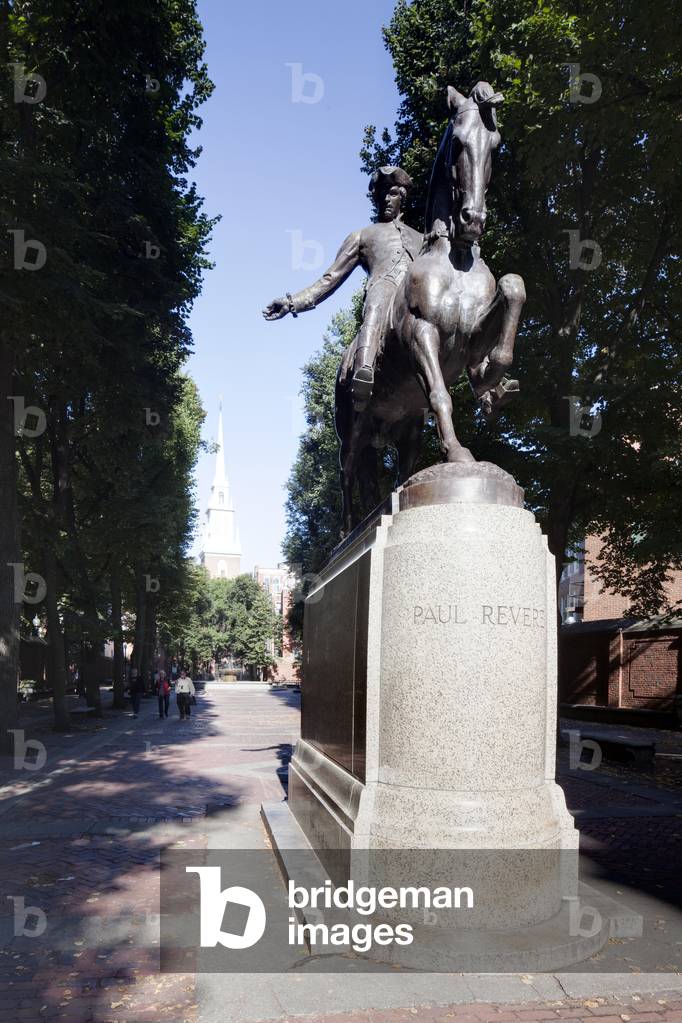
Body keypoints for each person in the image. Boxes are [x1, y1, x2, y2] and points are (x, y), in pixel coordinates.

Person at [263, 166, 422, 410]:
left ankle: (484, 379)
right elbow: (330, 279)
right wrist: (292, 302)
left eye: (391, 193)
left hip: (415, 298)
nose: (385, 200)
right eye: (380, 195)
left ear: (402, 196)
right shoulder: (362, 236)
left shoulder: (421, 238)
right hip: (384, 292)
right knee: (378, 297)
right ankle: (364, 370)